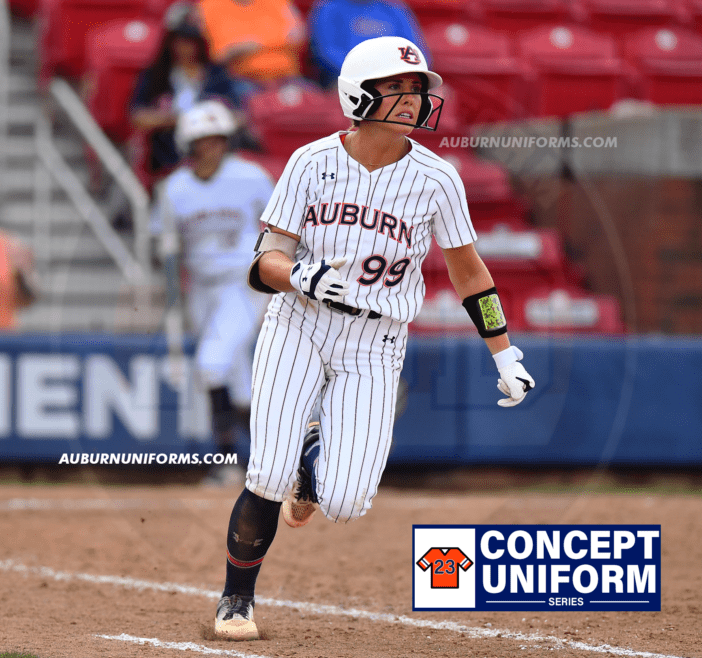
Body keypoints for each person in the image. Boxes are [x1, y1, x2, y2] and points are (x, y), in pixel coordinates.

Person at [213, 36, 535, 639]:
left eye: (417, 88)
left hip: (376, 340)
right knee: (266, 472)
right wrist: (302, 274)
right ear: (359, 93)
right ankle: (237, 600)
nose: (413, 98)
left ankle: (313, 467)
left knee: (347, 499)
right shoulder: (311, 162)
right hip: (300, 324)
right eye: (397, 87)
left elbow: (469, 271)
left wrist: (504, 350)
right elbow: (264, 263)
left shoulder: (437, 178)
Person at [153, 99, 273, 485]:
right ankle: (278, 463)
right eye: (202, 141)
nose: (211, 148)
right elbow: (166, 247)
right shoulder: (175, 188)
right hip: (202, 289)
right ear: (188, 146)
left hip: (245, 284)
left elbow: (283, 228)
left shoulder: (251, 177)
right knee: (237, 382)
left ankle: (225, 462)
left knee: (211, 363)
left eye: (217, 139)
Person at [130, 1, 256, 182]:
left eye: (191, 42)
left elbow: (239, 116)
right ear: (170, 42)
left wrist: (208, 122)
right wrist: (179, 119)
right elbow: (138, 117)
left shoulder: (216, 74)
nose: (185, 48)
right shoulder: (156, 75)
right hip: (168, 149)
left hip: (212, 148)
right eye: (179, 41)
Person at [308, 0, 432, 88]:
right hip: (347, 82)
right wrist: (364, 73)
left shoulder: (394, 9)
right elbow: (326, 51)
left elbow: (417, 53)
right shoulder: (330, 8)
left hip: (394, 80)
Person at [197, 0, 307, 87]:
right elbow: (220, 55)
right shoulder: (211, 6)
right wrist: (277, 40)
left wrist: (253, 43)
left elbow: (298, 36)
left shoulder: (277, 2)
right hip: (244, 80)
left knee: (315, 103)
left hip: (288, 77)